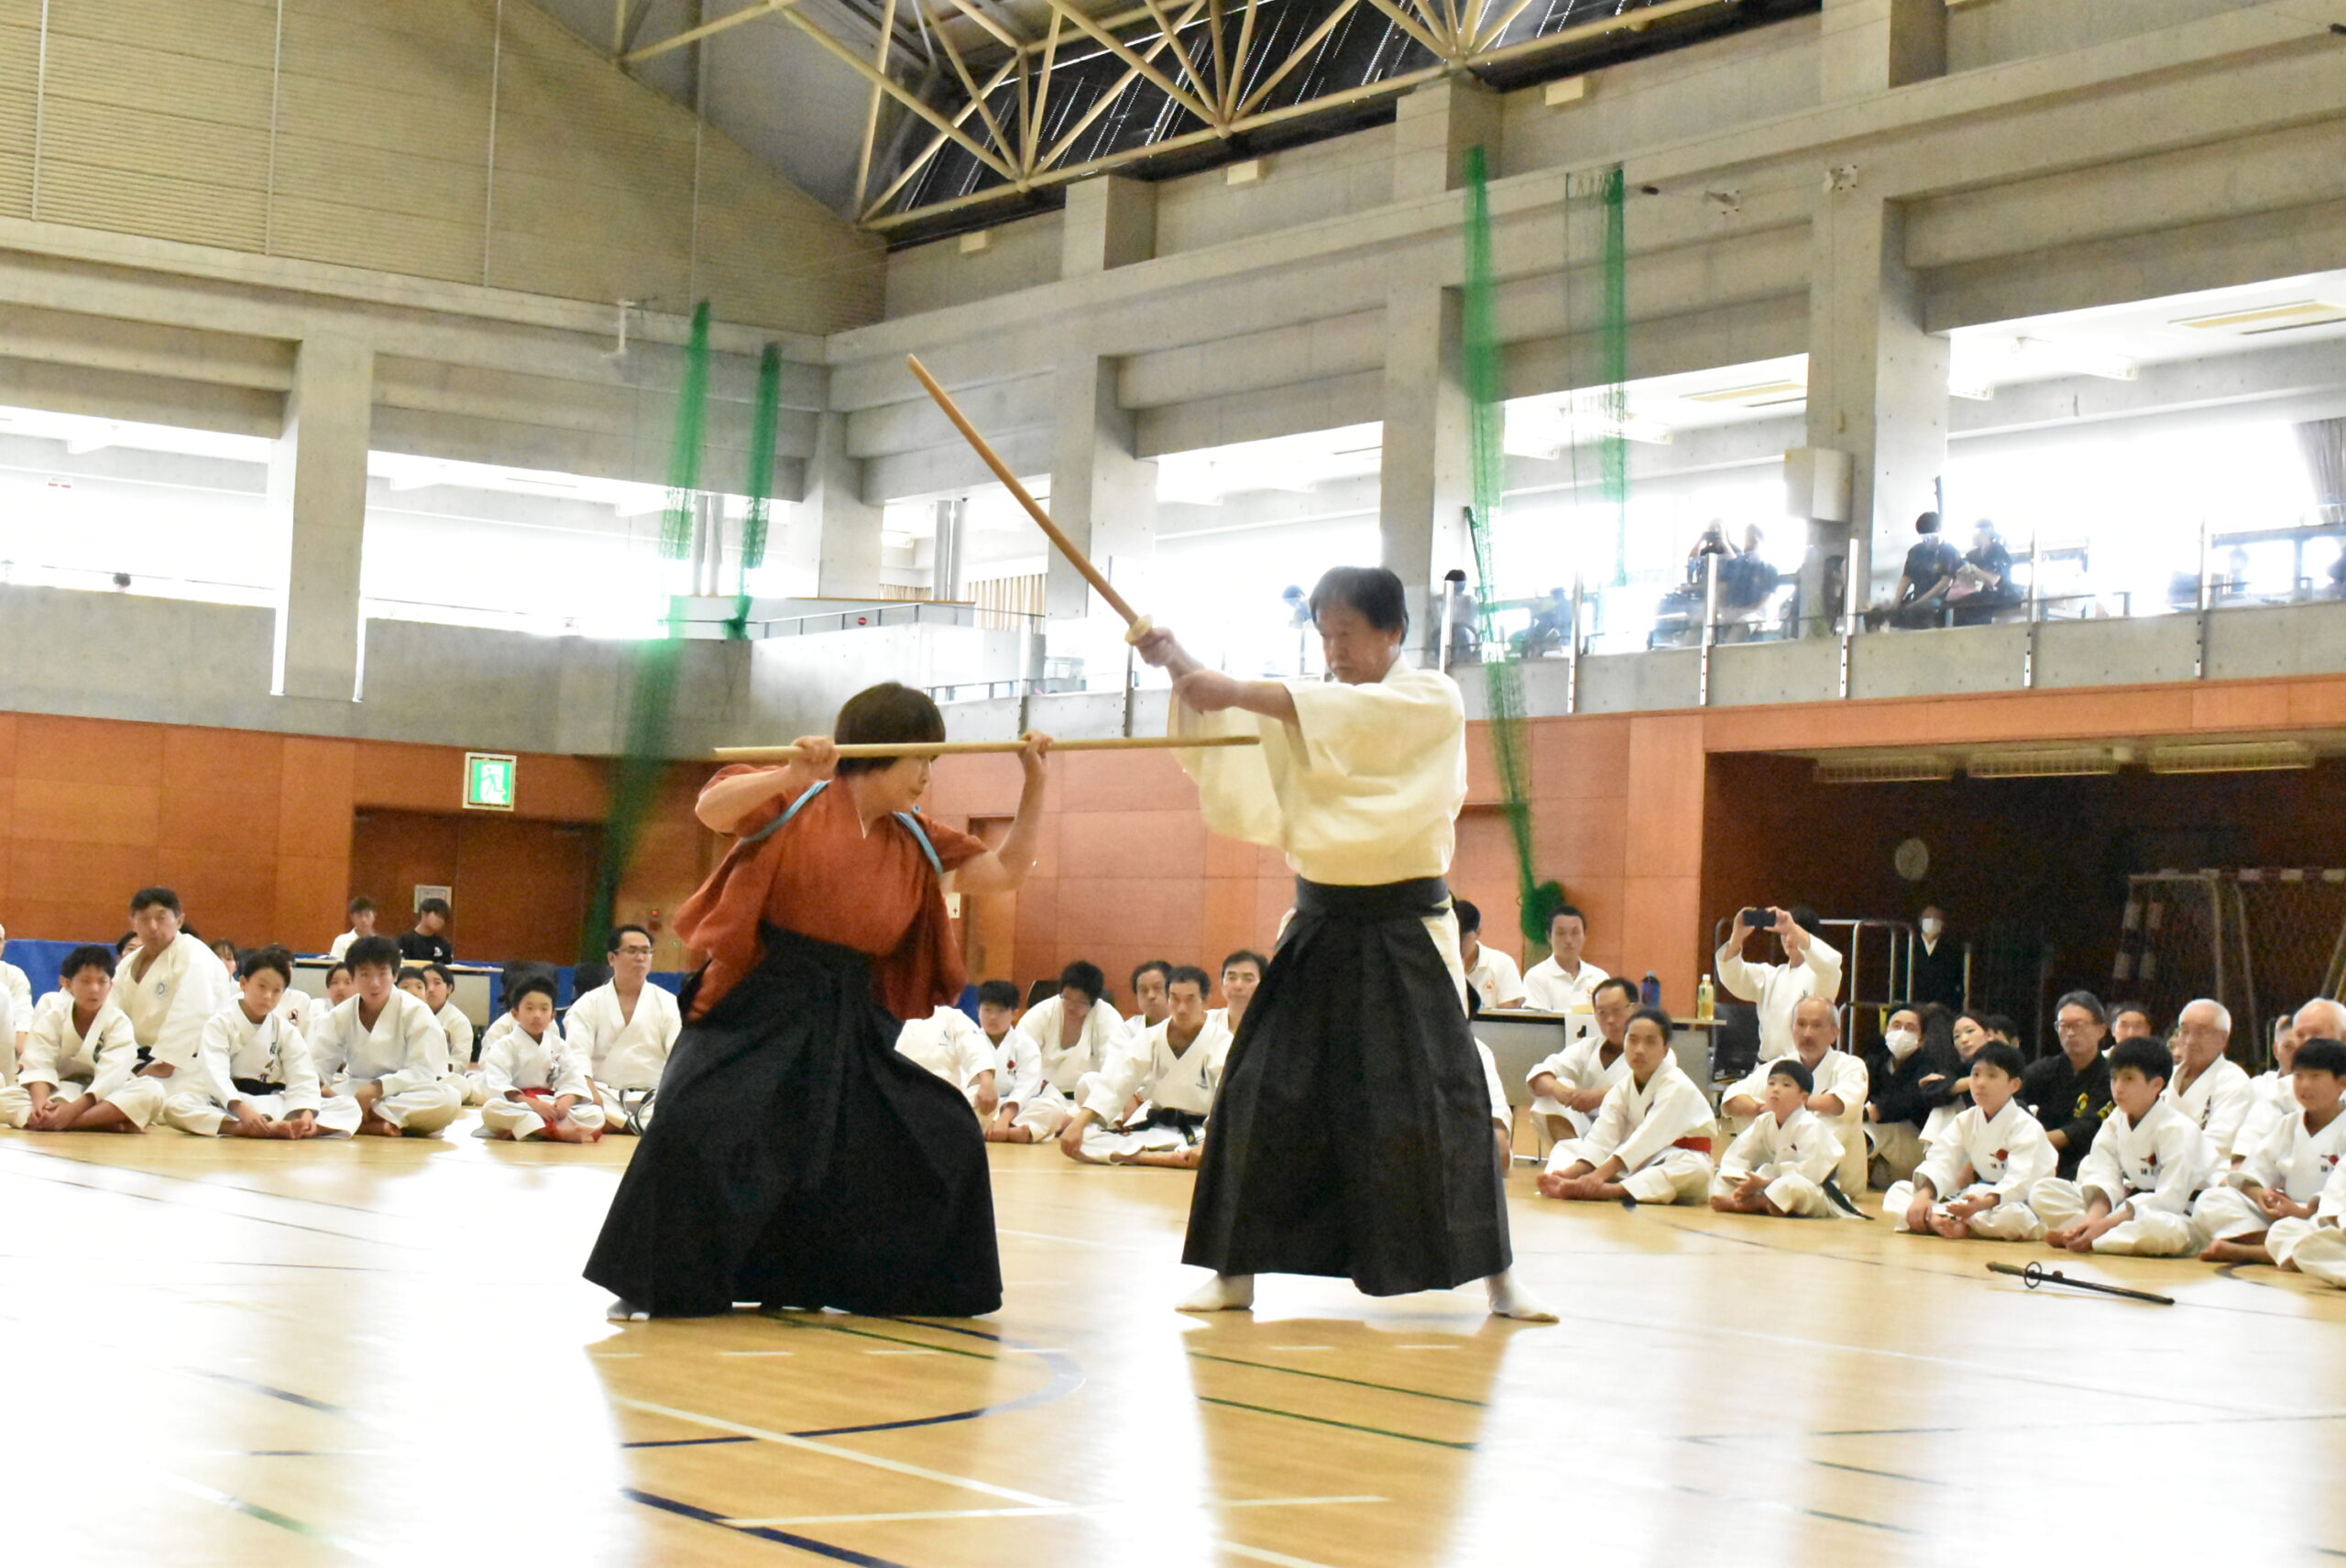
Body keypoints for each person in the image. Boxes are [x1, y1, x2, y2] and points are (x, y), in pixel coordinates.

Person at [1139, 565, 1550, 1320]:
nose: (1334, 651)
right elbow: (1241, 718)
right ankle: (1234, 1272)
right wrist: (1178, 661)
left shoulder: (1430, 697)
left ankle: (1500, 1278)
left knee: (1446, 1099)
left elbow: (1323, 712)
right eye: (1325, 636)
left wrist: (1230, 686)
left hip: (1406, 928)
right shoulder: (1306, 706)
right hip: (1320, 924)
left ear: (1394, 631)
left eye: (1348, 635)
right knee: (1257, 1088)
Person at [585, 683, 1053, 1321]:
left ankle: (892, 1284)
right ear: (877, 750)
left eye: (933, 761)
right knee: (692, 1124)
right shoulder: (800, 793)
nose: (926, 774)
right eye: (919, 758)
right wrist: (790, 771)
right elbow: (712, 809)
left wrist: (1035, 783)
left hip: (851, 1014)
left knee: (942, 1131)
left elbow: (1005, 872)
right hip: (759, 996)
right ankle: (652, 1279)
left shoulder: (916, 836)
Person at [2032, 1037, 2213, 1256]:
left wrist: (2106, 1224)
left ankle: (2090, 1238)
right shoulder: (2116, 1120)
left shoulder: (2179, 1130)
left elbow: (2170, 1200)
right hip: (2125, 1209)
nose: (2118, 1088)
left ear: (2156, 1084)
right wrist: (2094, 1219)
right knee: (2043, 1191)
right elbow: (2103, 1173)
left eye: (2128, 1079)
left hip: (2178, 1215)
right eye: (2114, 1078)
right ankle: (2084, 1231)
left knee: (2162, 1231)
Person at [161, 946, 357, 1138]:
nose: (267, 996)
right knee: (176, 1106)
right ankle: (243, 1128)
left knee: (349, 1106)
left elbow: (302, 1074)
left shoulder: (285, 1030)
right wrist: (242, 1111)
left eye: (276, 990)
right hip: (233, 1104)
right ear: (244, 983)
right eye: (262, 986)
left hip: (275, 1101)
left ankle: (302, 1128)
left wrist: (306, 1113)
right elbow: (215, 1073)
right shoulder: (220, 1023)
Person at [1537, 1005, 1716, 1206]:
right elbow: (1603, 1136)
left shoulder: (1676, 1085)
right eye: (1633, 1040)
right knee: (1580, 1151)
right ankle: (1583, 1183)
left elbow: (1648, 1136)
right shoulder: (1623, 1087)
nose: (1639, 1050)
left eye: (1650, 1042)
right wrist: (1570, 1173)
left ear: (1665, 1050)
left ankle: (1612, 1190)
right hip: (1643, 1161)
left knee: (1693, 1169)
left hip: (1683, 1157)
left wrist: (1597, 1177)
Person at [2194, 1037, 2346, 1265]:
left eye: (2315, 1077)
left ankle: (2252, 1251)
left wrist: (2304, 1213)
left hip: (2323, 1219)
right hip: (2283, 1217)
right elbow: (2252, 1174)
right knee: (2211, 1201)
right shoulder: (2288, 1125)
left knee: (2321, 1233)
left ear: (2342, 1082)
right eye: (2298, 1076)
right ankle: (2279, 1246)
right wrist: (2263, 1196)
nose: (2305, 1085)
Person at [1060, 966, 1231, 1168]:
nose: (1181, 1008)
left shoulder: (1221, 1041)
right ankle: (1163, 1158)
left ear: (1205, 1000)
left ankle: (1146, 1156)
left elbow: (1226, 1099)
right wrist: (1078, 1123)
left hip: (1200, 1132)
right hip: (1157, 1127)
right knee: (1084, 1138)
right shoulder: (1151, 1037)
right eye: (1175, 999)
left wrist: (1208, 1143)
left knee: (1232, 1150)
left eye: (1190, 999)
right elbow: (1117, 1080)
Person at [1882, 1042, 2055, 1240]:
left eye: (1992, 1076)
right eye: (1975, 1074)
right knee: (1899, 1191)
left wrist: (1982, 1204)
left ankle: (1949, 1222)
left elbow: (2022, 1180)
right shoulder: (1966, 1120)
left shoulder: (2026, 1126)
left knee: (2014, 1217)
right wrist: (1924, 1195)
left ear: (2014, 1085)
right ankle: (1944, 1221)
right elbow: (1942, 1159)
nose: (1980, 1083)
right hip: (1977, 1196)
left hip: (2019, 1202)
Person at [312, 936, 465, 1137]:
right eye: (365, 975)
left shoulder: (416, 1011)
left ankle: (354, 1120)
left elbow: (424, 1071)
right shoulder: (339, 1016)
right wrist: (321, 1089)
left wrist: (377, 1088)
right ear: (353, 977)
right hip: (355, 1089)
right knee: (300, 1097)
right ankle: (372, 1122)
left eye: (382, 973)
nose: (375, 984)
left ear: (395, 975)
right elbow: (318, 1068)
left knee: (448, 1099)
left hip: (404, 1092)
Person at [1719, 995, 1869, 1194]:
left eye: (1817, 1025)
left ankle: (1778, 1187)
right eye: (1801, 1024)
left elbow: (1840, 1103)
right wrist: (1760, 1107)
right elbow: (1732, 1098)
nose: (1807, 1033)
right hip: (1781, 1170)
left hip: (1839, 1181)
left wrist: (1792, 1104)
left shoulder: (1850, 1066)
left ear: (1834, 1033)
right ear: (1792, 1029)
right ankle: (1761, 1183)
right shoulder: (1781, 1066)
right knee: (1763, 1115)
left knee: (1823, 1118)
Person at [565, 927, 682, 1135]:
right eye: (632, 951)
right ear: (612, 958)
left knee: (686, 1110)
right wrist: (591, 1093)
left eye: (646, 952)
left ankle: (619, 1124)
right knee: (572, 1107)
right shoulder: (588, 1004)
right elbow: (576, 1056)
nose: (640, 958)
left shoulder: (669, 1003)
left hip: (653, 1097)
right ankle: (634, 1125)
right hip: (603, 1096)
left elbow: (679, 1056)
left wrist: (668, 1095)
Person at [20, 946, 151, 1132]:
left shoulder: (118, 1022)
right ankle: (103, 1122)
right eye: (85, 981)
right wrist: (40, 1106)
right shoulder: (53, 1017)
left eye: (102, 981)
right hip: (60, 1090)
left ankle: (69, 1122)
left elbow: (113, 1076)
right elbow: (39, 1065)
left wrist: (72, 1111)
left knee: (151, 1092)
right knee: (6, 1098)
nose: (94, 989)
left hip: (103, 1096)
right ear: (67, 984)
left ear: (111, 985)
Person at [112, 887, 237, 1079]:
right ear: (133, 924)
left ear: (179, 921)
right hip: (136, 1059)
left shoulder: (195, 955)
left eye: (161, 918)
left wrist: (165, 1064)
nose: (153, 927)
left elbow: (194, 1012)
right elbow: (111, 1010)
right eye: (144, 919)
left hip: (186, 1065)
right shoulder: (128, 963)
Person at [1709, 1059, 1853, 1218]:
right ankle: (1750, 1199)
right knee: (1723, 1177)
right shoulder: (1764, 1122)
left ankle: (1757, 1202)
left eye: (1786, 1085)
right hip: (1770, 1183)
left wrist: (1766, 1182)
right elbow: (1740, 1154)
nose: (1775, 1089)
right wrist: (1743, 1181)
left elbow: (1812, 1174)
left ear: (1803, 1097)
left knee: (1793, 1186)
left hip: (1817, 1190)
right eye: (1771, 1083)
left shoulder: (1810, 1125)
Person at [478, 975, 600, 1144]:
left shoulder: (559, 1045)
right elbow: (498, 1086)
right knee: (492, 1109)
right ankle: (555, 1133)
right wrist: (533, 1104)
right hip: (522, 1105)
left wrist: (566, 1101)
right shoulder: (504, 1046)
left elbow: (574, 1079)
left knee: (595, 1114)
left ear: (552, 1015)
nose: (537, 1015)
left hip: (551, 1105)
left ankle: (532, 1129)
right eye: (529, 1008)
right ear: (515, 1013)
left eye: (544, 1009)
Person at [1716, 905, 1843, 1064]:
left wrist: (1792, 927)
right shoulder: (1770, 976)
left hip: (1803, 1067)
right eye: (1784, 934)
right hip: (1766, 1066)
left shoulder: (1821, 976)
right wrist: (1737, 937)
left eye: (1792, 934)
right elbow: (1732, 975)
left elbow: (1832, 963)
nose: (1788, 940)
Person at [1525, 975, 1638, 1142]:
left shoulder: (1655, 1050)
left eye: (1617, 1010)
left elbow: (1649, 1088)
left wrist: (1600, 1095)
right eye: (1602, 1013)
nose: (1610, 1020)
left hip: (1629, 1134)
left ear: (1635, 1009)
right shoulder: (1588, 1048)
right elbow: (1540, 1073)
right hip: (1586, 1132)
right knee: (1550, 1097)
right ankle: (1572, 1155)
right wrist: (1562, 1091)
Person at [2022, 990, 2116, 1181]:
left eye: (2078, 1026)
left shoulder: (2111, 1075)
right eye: (2063, 1026)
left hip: (2087, 1162)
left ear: (2101, 1030)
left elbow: (2090, 1127)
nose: (2070, 1033)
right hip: (2040, 1158)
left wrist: (2037, 1141)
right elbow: (2012, 1093)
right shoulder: (2048, 1068)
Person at [1863, 1002, 1961, 1185]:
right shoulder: (1876, 1063)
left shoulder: (1929, 1067)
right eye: (1896, 1025)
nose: (1901, 1032)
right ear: (1886, 1031)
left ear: (1922, 1039)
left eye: (1910, 1028)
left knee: (1874, 1127)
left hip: (1916, 1148)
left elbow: (1908, 1101)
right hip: (1890, 1158)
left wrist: (1874, 1111)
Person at [1016, 960, 1125, 1116]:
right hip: (1043, 1096)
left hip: (1087, 1100)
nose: (1072, 1006)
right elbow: (1021, 1054)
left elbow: (1114, 1068)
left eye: (1081, 1001)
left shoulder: (1108, 1017)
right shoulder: (1043, 1012)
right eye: (1067, 998)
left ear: (1093, 1000)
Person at [2164, 997, 2257, 1164]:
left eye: (2200, 1032)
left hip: (2209, 1173)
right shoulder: (2166, 1075)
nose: (2189, 1041)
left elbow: (2218, 1145)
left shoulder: (2233, 1081)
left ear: (2223, 1039)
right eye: (2184, 1031)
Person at [974, 980, 1053, 1143]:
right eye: (987, 1010)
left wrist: (1004, 1119)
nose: (993, 1017)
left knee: (1051, 1108)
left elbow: (1027, 1086)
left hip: (1013, 1108)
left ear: (1014, 1013)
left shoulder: (1026, 1045)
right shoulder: (968, 1040)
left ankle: (989, 1131)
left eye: (1001, 1011)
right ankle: (1011, 1133)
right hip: (979, 1106)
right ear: (978, 1011)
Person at [895, 1003, 999, 1119]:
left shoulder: (950, 1017)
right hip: (905, 1099)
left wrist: (987, 1082)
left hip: (949, 1099)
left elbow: (975, 1048)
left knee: (984, 1096)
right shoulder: (889, 1020)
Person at [1521, 905, 1606, 1017]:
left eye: (1575, 933)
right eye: (1561, 933)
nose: (1569, 940)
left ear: (1585, 936)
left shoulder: (1600, 977)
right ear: (1549, 937)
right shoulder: (1536, 977)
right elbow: (1538, 1023)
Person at [1886, 510, 1964, 628]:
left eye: (1929, 537)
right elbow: (1906, 578)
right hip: (1917, 597)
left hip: (1939, 601)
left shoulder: (1949, 551)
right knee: (1895, 614)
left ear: (1938, 530)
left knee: (1923, 610)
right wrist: (1896, 603)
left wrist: (1919, 603)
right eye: (1924, 538)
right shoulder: (1916, 551)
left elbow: (1945, 584)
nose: (1926, 541)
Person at [1453, 901, 1526, 1010]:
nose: (1456, 942)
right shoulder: (1436, 965)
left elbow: (1509, 1015)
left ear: (1478, 932)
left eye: (1462, 937)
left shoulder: (1502, 964)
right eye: (1452, 936)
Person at [1952, 519, 2019, 625]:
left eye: (1976, 532)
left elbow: (1992, 580)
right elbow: (1966, 578)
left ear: (1986, 533)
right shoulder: (1971, 555)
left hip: (1996, 598)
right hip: (1974, 596)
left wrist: (1974, 569)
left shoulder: (1998, 551)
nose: (1973, 536)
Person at [1910, 906, 1963, 1010]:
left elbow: (1953, 980)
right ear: (1920, 921)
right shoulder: (1909, 945)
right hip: (1913, 1003)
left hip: (1941, 1007)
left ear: (1943, 924)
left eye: (1937, 919)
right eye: (1928, 918)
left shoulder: (1951, 950)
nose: (1932, 922)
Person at [1213, 950, 1265, 1036]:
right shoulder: (1206, 1022)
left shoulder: (1275, 1025)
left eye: (1248, 979)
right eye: (1232, 978)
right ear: (1221, 984)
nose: (1238, 986)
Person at [1122, 960, 1175, 1042]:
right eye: (1143, 990)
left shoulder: (1188, 1027)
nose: (1150, 996)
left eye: (1157, 987)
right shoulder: (1128, 1031)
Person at [0, 920, 31, 1050]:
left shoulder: (14, 975)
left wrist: (21, 1051)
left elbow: (23, 1014)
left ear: (4, 945)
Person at [397, 898, 455, 964]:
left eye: (443, 918)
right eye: (437, 915)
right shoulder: (404, 941)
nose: (441, 921)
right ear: (424, 913)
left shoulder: (444, 945)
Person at [328, 896, 378, 960]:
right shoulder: (341, 941)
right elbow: (336, 965)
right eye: (359, 916)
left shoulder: (381, 943)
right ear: (352, 917)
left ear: (374, 916)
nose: (364, 920)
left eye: (367, 915)